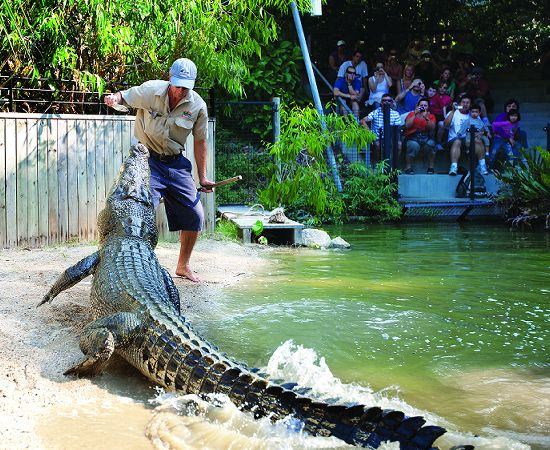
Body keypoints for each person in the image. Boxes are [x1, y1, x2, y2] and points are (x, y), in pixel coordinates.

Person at [104, 58, 215, 282]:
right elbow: (125, 97)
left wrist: (202, 177)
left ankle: (183, 266)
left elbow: (200, 141)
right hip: (147, 160)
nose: (181, 91)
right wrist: (115, 98)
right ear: (169, 79)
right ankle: (136, 266)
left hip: (175, 163)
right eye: (178, 85)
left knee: (195, 215)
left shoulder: (197, 106)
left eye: (186, 87)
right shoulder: (151, 90)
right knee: (140, 214)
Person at [444, 94, 488, 175]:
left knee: (479, 141)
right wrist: (453, 111)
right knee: (457, 141)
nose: (465, 104)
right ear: (460, 104)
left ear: (470, 105)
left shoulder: (474, 114)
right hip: (454, 139)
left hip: (469, 139)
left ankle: (482, 166)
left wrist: (480, 134)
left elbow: (481, 127)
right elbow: (446, 125)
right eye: (463, 102)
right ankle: (454, 167)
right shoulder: (453, 112)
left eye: (467, 103)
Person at [360, 93, 402, 163]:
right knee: (378, 145)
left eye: (389, 101)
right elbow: (362, 121)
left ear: (392, 103)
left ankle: (392, 163)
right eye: (384, 100)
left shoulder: (395, 114)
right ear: (381, 102)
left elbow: (397, 129)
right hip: (377, 137)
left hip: (391, 137)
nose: (386, 102)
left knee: (399, 145)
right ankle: (380, 164)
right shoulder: (376, 112)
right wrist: (369, 132)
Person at [402, 98, 437, 174]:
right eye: (421, 105)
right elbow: (407, 125)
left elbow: (432, 128)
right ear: (417, 106)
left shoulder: (431, 116)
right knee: (413, 145)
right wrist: (415, 114)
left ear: (428, 107)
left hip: (426, 137)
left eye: (425, 105)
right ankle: (408, 167)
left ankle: (431, 167)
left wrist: (426, 118)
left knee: (432, 144)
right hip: (412, 137)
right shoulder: (411, 114)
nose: (423, 107)